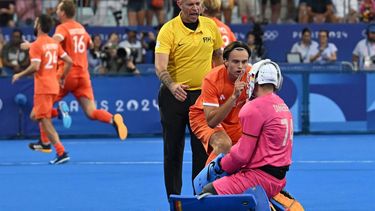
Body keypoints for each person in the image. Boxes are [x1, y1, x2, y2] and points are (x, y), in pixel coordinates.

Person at [24, 0, 128, 155]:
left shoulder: (62, 28)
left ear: (63, 13)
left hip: (66, 75)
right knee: (91, 112)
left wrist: (32, 45)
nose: (56, 11)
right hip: (83, 76)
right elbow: (91, 45)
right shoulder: (81, 28)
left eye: (58, 9)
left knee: (40, 111)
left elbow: (53, 41)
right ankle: (112, 119)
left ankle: (45, 141)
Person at [154, 0, 223, 197]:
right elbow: (160, 66)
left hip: (202, 97)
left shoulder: (210, 26)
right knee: (173, 150)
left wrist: (217, 84)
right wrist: (172, 85)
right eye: (190, 4)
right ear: (179, 4)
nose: (195, 8)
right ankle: (174, 199)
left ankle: (200, 197)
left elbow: (218, 56)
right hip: (174, 96)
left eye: (198, 3)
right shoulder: (168, 30)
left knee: (202, 151)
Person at [198, 59, 293, 199]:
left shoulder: (253, 107)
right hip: (278, 179)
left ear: (254, 80)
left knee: (209, 192)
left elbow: (242, 155)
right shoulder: (282, 105)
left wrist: (221, 164)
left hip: (259, 178)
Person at [11, 14, 73, 164]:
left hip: (43, 88)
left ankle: (61, 152)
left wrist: (19, 74)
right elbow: (69, 61)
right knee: (36, 116)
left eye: (36, 22)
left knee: (44, 120)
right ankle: (58, 113)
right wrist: (63, 77)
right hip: (54, 85)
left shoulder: (37, 45)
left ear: (38, 26)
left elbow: (35, 66)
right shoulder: (53, 43)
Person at [189, 41, 251, 166]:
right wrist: (234, 96)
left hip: (233, 118)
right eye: (235, 62)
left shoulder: (252, 76)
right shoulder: (212, 79)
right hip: (203, 116)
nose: (240, 66)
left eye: (244, 62)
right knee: (223, 144)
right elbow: (211, 122)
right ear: (226, 61)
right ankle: (205, 184)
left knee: (252, 147)